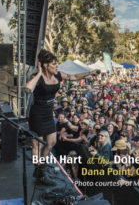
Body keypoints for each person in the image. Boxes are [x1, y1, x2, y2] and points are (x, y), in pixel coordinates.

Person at [25, 49, 99, 184]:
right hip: (37, 113)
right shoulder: (38, 78)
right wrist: (39, 73)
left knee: (51, 141)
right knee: (36, 143)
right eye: (54, 64)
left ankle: (40, 165)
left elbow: (74, 77)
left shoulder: (58, 75)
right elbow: (27, 89)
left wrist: (90, 73)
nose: (57, 66)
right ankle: (39, 169)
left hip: (48, 113)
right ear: (46, 65)